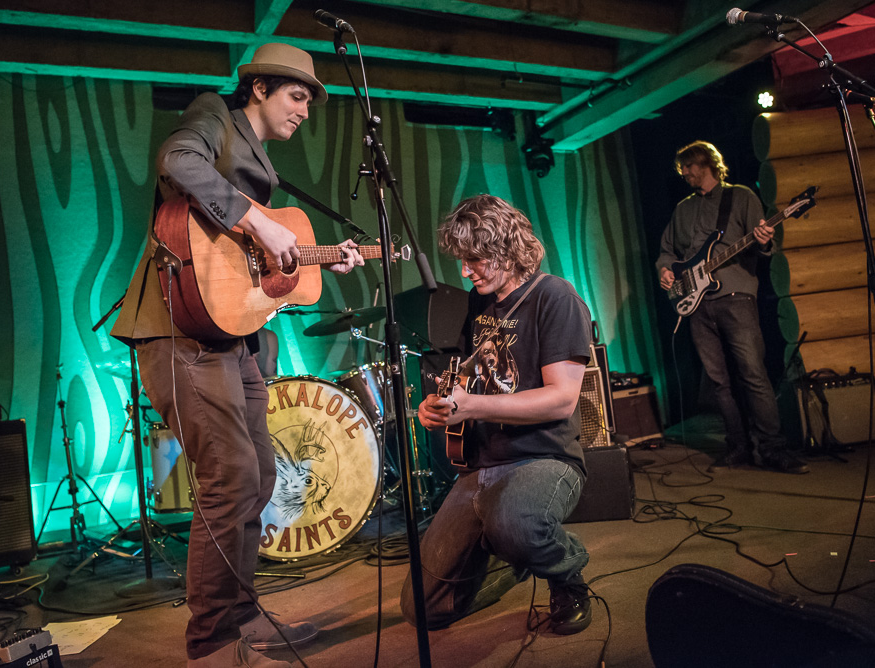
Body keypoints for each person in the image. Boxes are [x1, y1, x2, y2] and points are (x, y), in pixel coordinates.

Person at [111, 43, 365, 667]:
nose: (306, 110)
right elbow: (175, 160)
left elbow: (251, 272)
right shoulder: (213, 116)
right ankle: (211, 642)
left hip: (232, 337)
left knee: (259, 473)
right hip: (180, 332)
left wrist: (321, 257)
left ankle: (243, 615)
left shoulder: (258, 158)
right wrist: (257, 219)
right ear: (259, 88)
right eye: (298, 95)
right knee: (229, 479)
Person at [401, 194, 594, 635]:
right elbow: (469, 378)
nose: (466, 272)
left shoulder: (554, 296)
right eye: (463, 261)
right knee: (423, 610)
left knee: (516, 523)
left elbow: (562, 399)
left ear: (506, 248)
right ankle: (516, 558)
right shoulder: (480, 302)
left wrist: (474, 405)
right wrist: (442, 406)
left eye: (475, 260)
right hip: (484, 463)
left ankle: (566, 575)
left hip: (544, 457)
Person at [657, 140, 808, 475]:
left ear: (706, 163)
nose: (684, 173)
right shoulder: (682, 209)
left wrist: (765, 239)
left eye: (688, 166)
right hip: (696, 305)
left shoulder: (741, 196)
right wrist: (665, 271)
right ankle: (737, 445)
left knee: (752, 373)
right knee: (718, 381)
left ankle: (772, 448)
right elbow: (667, 250)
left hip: (736, 297)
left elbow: (762, 241)